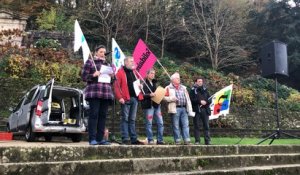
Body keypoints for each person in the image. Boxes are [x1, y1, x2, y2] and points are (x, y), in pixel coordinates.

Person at [81, 45, 113, 145]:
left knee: (103, 116)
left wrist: (112, 76)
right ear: (96, 52)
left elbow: (113, 80)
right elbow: (84, 77)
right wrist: (93, 75)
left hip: (106, 93)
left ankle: (100, 138)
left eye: (104, 52)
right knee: (93, 115)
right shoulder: (90, 62)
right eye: (101, 52)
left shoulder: (108, 64)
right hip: (94, 92)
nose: (103, 54)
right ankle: (92, 138)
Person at [114, 56, 144, 145]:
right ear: (126, 62)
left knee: (132, 119)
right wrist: (120, 97)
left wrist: (141, 86)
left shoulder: (135, 72)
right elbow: (116, 86)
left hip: (135, 98)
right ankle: (125, 138)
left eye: (133, 61)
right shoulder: (120, 72)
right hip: (125, 98)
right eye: (131, 61)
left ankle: (133, 139)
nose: (133, 63)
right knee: (125, 119)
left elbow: (139, 83)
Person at [163, 72, 195, 145]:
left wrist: (189, 107)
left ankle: (187, 140)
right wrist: (171, 98)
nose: (179, 79)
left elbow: (188, 98)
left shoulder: (183, 87)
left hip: (184, 108)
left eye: (179, 78)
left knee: (185, 125)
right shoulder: (168, 88)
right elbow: (163, 97)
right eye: (177, 78)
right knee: (176, 125)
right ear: (172, 80)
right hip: (175, 108)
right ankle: (177, 140)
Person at [141, 68, 164, 145]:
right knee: (149, 123)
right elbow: (141, 95)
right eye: (151, 73)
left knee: (160, 123)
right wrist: (149, 95)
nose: (153, 75)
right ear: (147, 74)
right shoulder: (143, 83)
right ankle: (150, 139)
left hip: (156, 105)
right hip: (148, 105)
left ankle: (160, 140)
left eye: (154, 73)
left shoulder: (155, 83)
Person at [189, 77, 211, 145]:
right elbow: (191, 100)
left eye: (201, 81)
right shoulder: (192, 90)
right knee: (197, 126)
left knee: (206, 126)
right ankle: (197, 140)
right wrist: (199, 101)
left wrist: (206, 102)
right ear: (196, 82)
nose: (200, 82)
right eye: (199, 81)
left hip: (205, 110)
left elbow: (210, 99)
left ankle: (207, 141)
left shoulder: (205, 90)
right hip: (197, 110)